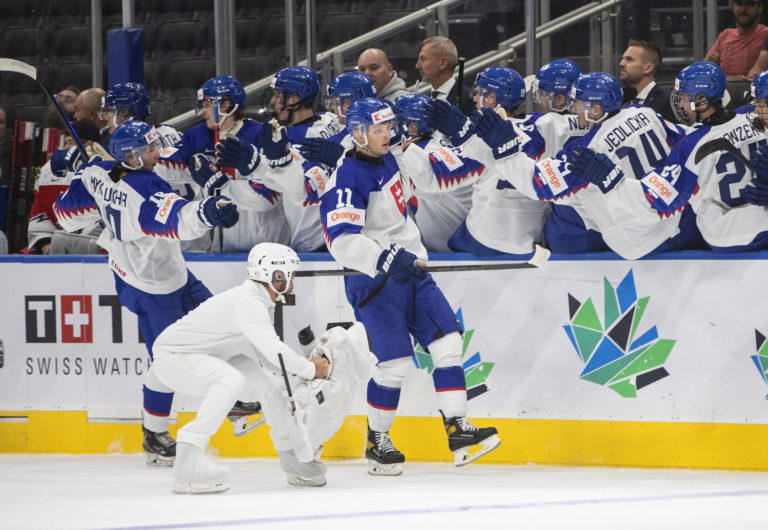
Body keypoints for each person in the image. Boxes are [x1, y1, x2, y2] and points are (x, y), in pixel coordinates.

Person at [320, 97, 500, 476]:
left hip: (414, 269)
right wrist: (382, 259)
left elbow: (434, 179)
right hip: (374, 281)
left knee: (448, 343)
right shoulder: (346, 177)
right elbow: (341, 240)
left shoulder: (395, 154)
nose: (387, 135)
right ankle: (377, 441)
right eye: (378, 129)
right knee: (393, 365)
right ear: (358, 133)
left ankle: (458, 429)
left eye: (389, 127)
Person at [53, 120, 240, 466]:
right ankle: (154, 433)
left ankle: (234, 399)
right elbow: (176, 220)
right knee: (168, 362)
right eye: (150, 150)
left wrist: (82, 171)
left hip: (160, 273)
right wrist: (206, 211)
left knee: (219, 325)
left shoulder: (98, 171)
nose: (157, 154)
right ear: (131, 156)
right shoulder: (142, 188)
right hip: (151, 286)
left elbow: (66, 216)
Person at [151, 243, 335, 493]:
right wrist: (311, 369)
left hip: (209, 355)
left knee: (270, 388)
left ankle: (293, 459)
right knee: (230, 380)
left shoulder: (261, 301)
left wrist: (304, 371)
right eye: (289, 276)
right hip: (173, 358)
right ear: (275, 275)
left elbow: (268, 359)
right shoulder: (248, 302)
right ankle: (188, 462)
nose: (292, 284)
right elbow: (274, 350)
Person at [461, 71, 698, 259]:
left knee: (565, 209)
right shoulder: (645, 112)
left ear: (596, 109)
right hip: (675, 220)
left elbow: (539, 185)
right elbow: (688, 139)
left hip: (638, 240)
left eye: (578, 103)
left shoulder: (589, 148)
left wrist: (507, 152)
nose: (573, 109)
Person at [571, 63, 768, 252]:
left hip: (728, 234)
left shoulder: (690, 146)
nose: (680, 104)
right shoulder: (754, 118)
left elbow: (655, 201)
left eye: (683, 97)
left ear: (701, 99)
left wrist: (611, 179)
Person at [427, 66, 551, 257]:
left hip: (486, 238)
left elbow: (435, 175)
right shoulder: (542, 127)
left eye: (479, 92)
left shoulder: (480, 137)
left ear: (492, 98)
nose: (474, 98)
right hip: (532, 234)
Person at [167, 75, 291, 252]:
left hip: (268, 248)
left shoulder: (262, 134)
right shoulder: (197, 137)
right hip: (224, 249)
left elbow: (270, 196)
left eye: (206, 105)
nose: (202, 111)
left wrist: (222, 187)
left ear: (224, 105)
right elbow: (166, 165)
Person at [393, 93, 480, 252]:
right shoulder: (439, 138)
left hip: (457, 253)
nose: (391, 129)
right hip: (457, 242)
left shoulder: (424, 154)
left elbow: (419, 179)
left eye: (396, 122)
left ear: (413, 127)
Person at [27, 119, 104, 254]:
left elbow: (107, 216)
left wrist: (79, 245)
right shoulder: (48, 169)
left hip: (97, 249)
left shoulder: (106, 172)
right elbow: (39, 207)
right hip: (51, 246)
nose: (65, 148)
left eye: (70, 142)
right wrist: (46, 244)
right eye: (66, 142)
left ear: (89, 146)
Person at [705, 0, 768, 80]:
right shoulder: (725, 35)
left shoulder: (766, 35)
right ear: (733, 7)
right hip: (723, 87)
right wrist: (711, 66)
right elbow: (705, 70)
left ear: (760, 8)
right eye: (739, 4)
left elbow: (755, 77)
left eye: (749, 4)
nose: (743, 9)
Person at [619, 39, 676, 122]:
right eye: (623, 59)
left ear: (648, 68)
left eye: (629, 59)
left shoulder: (667, 104)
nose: (621, 63)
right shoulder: (620, 102)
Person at [416, 36, 468, 111]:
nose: (417, 66)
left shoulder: (470, 100)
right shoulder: (422, 101)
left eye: (423, 59)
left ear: (443, 63)